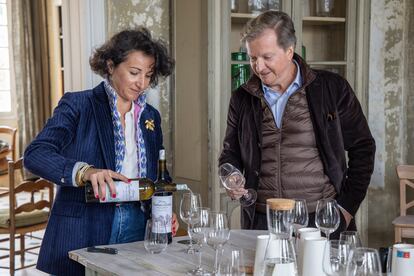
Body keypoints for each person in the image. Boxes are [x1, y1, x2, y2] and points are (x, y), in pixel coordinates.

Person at [24, 27, 178, 275]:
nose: (142, 83)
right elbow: (35, 154)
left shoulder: (151, 117)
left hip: (138, 224)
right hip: (85, 225)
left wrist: (164, 210)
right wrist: (85, 172)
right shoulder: (78, 104)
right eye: (134, 72)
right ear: (110, 66)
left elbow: (160, 175)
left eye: (149, 75)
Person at [219, 10, 375, 238]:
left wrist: (346, 208)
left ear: (289, 51)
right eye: (253, 58)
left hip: (320, 219)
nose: (259, 67)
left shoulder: (332, 88)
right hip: (263, 222)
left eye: (267, 57)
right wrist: (230, 176)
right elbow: (229, 153)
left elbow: (363, 148)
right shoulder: (242, 98)